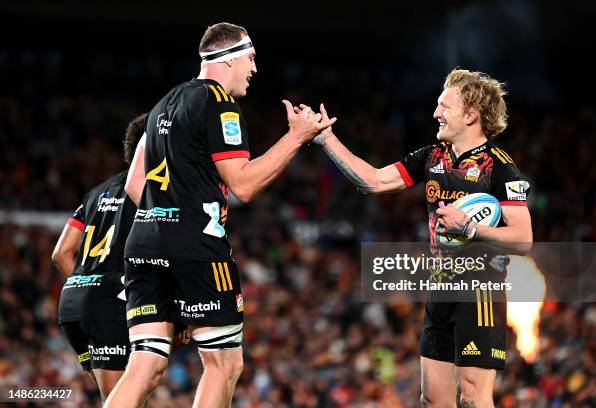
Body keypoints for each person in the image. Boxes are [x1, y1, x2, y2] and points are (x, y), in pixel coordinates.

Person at [104, 22, 335, 408]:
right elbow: (243, 185)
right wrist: (296, 138)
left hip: (143, 241)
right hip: (195, 245)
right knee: (223, 364)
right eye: (251, 58)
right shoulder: (219, 103)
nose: (255, 69)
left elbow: (133, 185)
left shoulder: (164, 103)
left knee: (144, 366)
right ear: (229, 59)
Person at [313, 68, 533, 407]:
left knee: (472, 397)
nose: (436, 114)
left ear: (471, 114)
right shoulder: (431, 157)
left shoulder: (499, 167)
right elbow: (372, 181)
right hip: (440, 288)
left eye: (445, 107)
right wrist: (327, 139)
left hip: (480, 291)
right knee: (432, 399)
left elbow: (523, 239)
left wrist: (470, 229)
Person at [53, 114, 145, 401]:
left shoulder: (96, 193)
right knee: (124, 401)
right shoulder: (151, 190)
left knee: (121, 399)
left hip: (72, 305)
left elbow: (61, 254)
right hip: (107, 307)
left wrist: (87, 284)